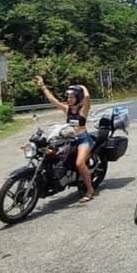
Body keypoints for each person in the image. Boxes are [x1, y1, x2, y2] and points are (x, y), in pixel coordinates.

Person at [35, 76, 96, 204]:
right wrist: (42, 85)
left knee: (80, 163)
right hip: (68, 139)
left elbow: (87, 98)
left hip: (82, 139)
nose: (69, 99)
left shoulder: (83, 110)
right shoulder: (68, 109)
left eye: (72, 97)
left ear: (77, 97)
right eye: (68, 97)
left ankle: (90, 190)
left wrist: (83, 87)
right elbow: (53, 100)